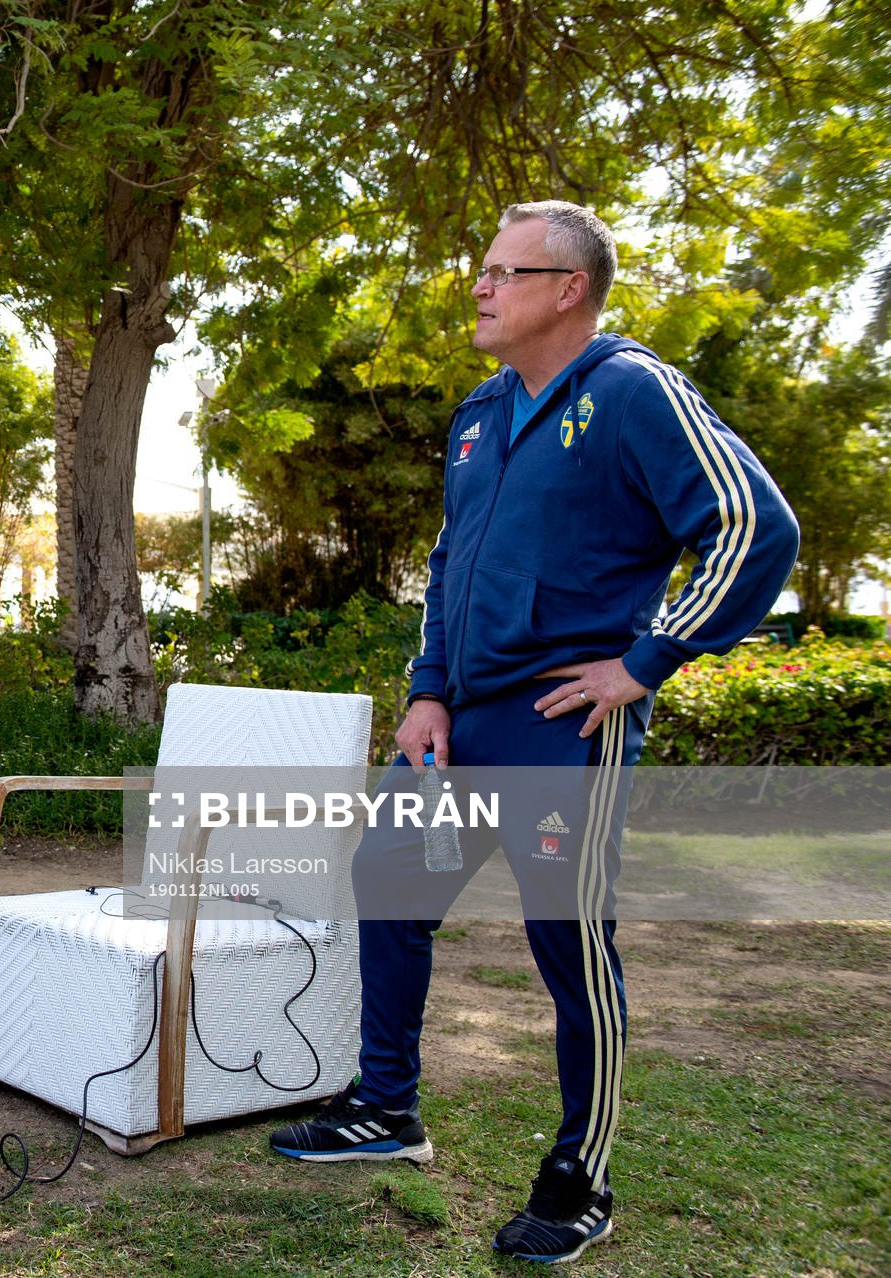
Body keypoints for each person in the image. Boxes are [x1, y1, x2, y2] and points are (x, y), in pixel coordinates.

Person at [268, 201, 797, 1264]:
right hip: (455, 729)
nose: (480, 286)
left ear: (569, 289)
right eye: (483, 268)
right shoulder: (479, 412)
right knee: (389, 884)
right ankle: (386, 1107)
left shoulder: (634, 391)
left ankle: (579, 1178)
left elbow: (753, 526)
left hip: (562, 729)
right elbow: (449, 565)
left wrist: (645, 661)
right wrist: (427, 691)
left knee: (569, 942)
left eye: (504, 271)